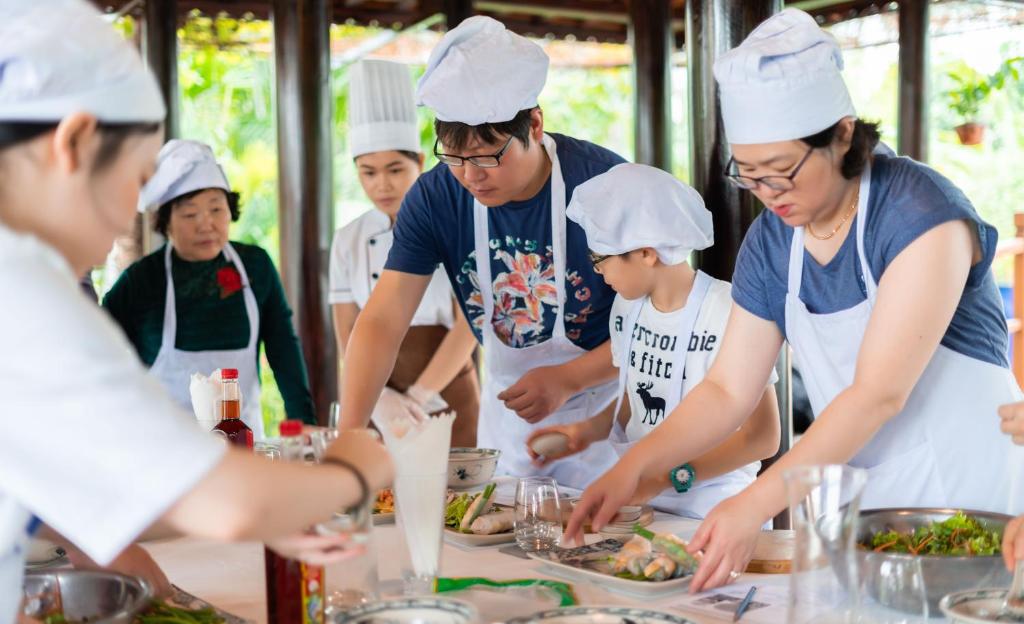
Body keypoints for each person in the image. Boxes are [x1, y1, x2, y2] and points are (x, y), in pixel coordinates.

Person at [566, 7, 1023, 592]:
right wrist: (634, 466)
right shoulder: (773, 240)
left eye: (781, 171)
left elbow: (877, 395)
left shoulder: (918, 211)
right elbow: (728, 389)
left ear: (842, 135)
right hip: (872, 501)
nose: (768, 194)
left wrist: (755, 502)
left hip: (977, 495)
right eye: (749, 175)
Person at [0, 2, 392, 624]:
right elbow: (226, 501)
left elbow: (51, 460)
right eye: (136, 177)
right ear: (73, 141)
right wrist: (355, 469)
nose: (132, 210)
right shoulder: (24, 288)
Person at [337, 17, 628, 489]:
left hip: (609, 417)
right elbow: (382, 319)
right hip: (509, 423)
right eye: (453, 158)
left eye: (488, 156)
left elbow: (662, 322)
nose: (471, 176)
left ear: (533, 125)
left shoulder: (606, 186)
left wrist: (571, 378)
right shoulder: (434, 197)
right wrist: (349, 434)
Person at [527, 164, 780, 518]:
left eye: (600, 260)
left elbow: (763, 437)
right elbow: (637, 398)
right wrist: (586, 431)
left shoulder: (729, 310)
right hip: (644, 500)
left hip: (717, 507)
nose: (598, 273)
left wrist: (670, 477)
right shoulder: (627, 309)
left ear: (647, 253)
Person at [104, 139, 317, 437]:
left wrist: (303, 420)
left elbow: (283, 348)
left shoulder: (255, 266)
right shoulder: (142, 279)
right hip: (162, 445)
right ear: (165, 222)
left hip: (240, 444)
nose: (206, 225)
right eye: (190, 214)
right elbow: (100, 350)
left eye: (216, 209)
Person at [331, 59, 479, 446]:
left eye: (395, 169)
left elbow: (471, 324)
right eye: (368, 172)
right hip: (377, 396)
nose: (382, 185)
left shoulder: (455, 225)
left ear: (419, 161)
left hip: (446, 390)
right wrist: (379, 396)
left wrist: (419, 395)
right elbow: (349, 329)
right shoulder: (348, 238)